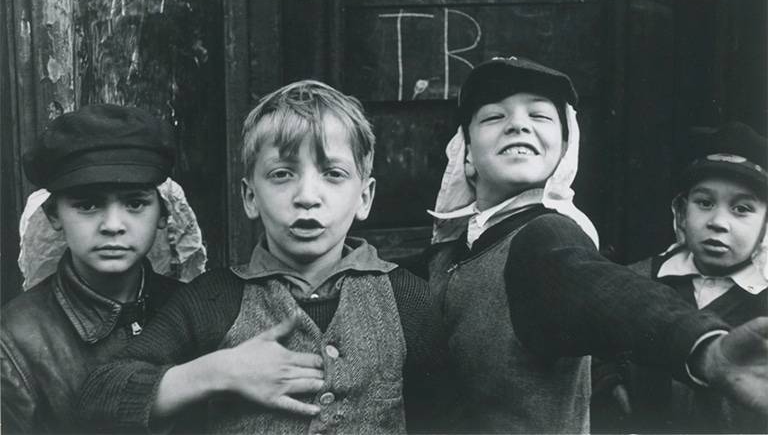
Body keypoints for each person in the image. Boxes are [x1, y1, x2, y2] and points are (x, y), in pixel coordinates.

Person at [425, 56, 768, 433]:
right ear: (466, 152)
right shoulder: (449, 252)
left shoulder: (546, 235)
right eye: (493, 117)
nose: (518, 124)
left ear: (564, 147)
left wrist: (704, 347)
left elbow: (609, 292)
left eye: (539, 116)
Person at [78, 80, 440, 434]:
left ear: (364, 197)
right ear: (250, 197)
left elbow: (451, 416)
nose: (307, 196)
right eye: (282, 174)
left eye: (333, 174)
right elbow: (99, 395)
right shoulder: (213, 299)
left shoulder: (408, 300)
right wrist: (216, 373)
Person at [1, 104, 206, 433]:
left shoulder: (197, 310)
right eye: (87, 204)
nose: (113, 225)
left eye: (135, 203)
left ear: (164, 214)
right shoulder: (15, 338)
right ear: (54, 215)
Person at [593, 122, 768, 433]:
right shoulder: (637, 279)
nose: (718, 222)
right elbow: (597, 348)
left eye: (741, 209)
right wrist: (610, 382)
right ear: (681, 211)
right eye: (704, 203)